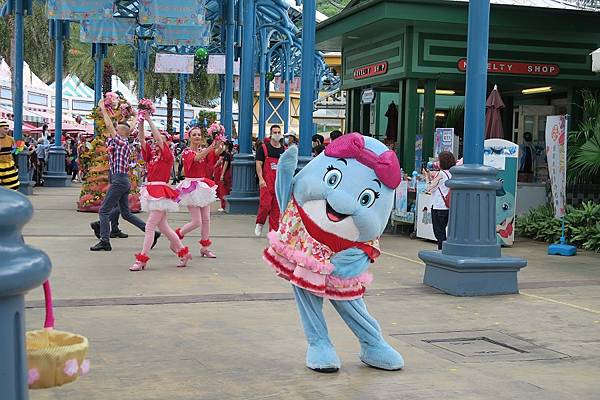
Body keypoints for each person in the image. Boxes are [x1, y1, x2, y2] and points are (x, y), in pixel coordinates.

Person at [90, 96, 160, 252]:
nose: (114, 127)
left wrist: (102, 107)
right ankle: (151, 232)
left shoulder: (119, 141)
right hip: (124, 180)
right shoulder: (125, 142)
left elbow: (109, 124)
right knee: (126, 213)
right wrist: (135, 115)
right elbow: (132, 125)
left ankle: (105, 240)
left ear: (121, 132)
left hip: (119, 180)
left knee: (104, 211)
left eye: (117, 127)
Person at [131, 114, 191, 271]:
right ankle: (183, 253)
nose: (156, 142)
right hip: (152, 191)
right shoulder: (151, 156)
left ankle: (142, 259)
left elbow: (157, 139)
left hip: (160, 193)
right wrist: (141, 121)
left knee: (150, 226)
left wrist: (150, 120)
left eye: (160, 140)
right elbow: (142, 139)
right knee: (164, 227)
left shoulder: (167, 156)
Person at [174, 126, 219, 258]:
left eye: (199, 134)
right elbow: (198, 158)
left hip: (202, 185)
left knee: (206, 219)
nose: (197, 137)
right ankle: (176, 237)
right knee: (196, 221)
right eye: (194, 135)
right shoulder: (187, 152)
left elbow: (216, 154)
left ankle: (205, 248)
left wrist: (219, 141)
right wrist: (211, 146)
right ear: (189, 137)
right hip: (191, 187)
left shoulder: (202, 150)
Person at [255, 125, 284, 236]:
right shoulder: (263, 148)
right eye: (275, 132)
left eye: (278, 132)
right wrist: (261, 179)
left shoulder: (283, 149)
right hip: (267, 181)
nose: (277, 134)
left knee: (276, 208)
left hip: (279, 183)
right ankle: (260, 223)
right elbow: (258, 164)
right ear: (270, 134)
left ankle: (273, 232)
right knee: (265, 205)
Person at [424, 151, 456, 250]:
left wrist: (426, 176)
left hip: (439, 206)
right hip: (449, 206)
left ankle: (442, 251)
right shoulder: (453, 173)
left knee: (439, 232)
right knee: (445, 231)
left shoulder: (441, 174)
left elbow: (429, 188)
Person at [214, 140, 233, 212]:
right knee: (227, 189)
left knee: (223, 190)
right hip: (229, 173)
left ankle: (223, 206)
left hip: (225, 173)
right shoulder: (231, 153)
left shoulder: (227, 154)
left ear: (227, 146)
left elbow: (225, 164)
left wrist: (222, 175)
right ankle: (226, 205)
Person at [0, 120, 19, 190]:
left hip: (9, 164)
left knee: (12, 185)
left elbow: (15, 152)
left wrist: (16, 164)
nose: (7, 130)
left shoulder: (11, 139)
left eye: (7, 129)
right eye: (5, 128)